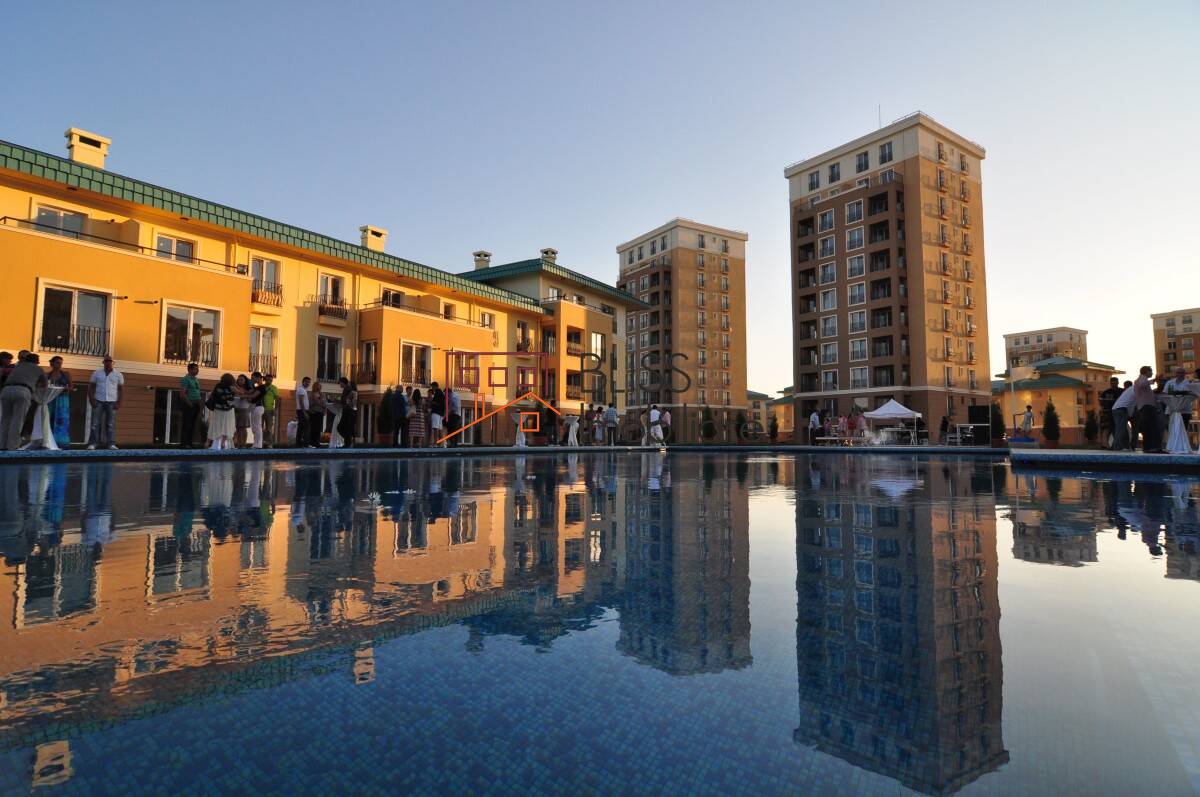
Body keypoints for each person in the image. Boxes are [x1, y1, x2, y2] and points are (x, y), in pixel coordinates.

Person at [0, 352, 45, 450]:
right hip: (23, 391)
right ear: (36, 362)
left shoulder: (17, 366)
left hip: (6, 390)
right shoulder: (38, 369)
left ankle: (1, 445)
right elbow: (45, 384)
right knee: (18, 420)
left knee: (5, 420)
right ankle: (12, 446)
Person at [87, 356, 123, 449]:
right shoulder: (96, 373)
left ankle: (111, 444)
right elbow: (91, 387)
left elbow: (120, 389)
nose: (108, 362)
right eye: (106, 361)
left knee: (110, 424)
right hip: (98, 400)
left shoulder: (118, 374)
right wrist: (91, 400)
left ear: (113, 362)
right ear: (103, 362)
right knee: (95, 424)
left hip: (112, 402)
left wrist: (119, 402)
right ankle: (93, 443)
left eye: (110, 361)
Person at [1133, 366, 1162, 453]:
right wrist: (1155, 379)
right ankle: (1152, 447)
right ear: (1146, 371)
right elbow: (1142, 384)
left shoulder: (1142, 380)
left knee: (1149, 427)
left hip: (1147, 407)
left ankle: (1149, 447)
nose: (1152, 373)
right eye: (1151, 371)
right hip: (1146, 407)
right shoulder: (1141, 379)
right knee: (1151, 427)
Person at [46, 356, 72, 448]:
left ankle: (61, 442)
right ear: (52, 363)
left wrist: (66, 389)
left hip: (62, 400)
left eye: (61, 363)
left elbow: (71, 387)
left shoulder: (66, 374)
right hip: (51, 399)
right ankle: (49, 441)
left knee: (62, 420)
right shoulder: (47, 375)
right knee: (49, 419)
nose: (60, 364)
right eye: (57, 362)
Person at [206, 373, 236, 450]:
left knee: (215, 425)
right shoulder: (232, 388)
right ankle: (223, 443)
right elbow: (237, 395)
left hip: (218, 409)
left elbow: (212, 395)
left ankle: (208, 442)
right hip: (228, 410)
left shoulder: (218, 386)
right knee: (226, 425)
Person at [179, 362, 202, 448]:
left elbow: (196, 392)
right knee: (187, 424)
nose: (197, 370)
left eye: (197, 369)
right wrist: (190, 404)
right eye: (195, 369)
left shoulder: (196, 379)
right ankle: (184, 444)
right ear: (189, 370)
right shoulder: (186, 379)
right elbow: (183, 394)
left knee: (192, 425)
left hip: (196, 404)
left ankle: (189, 443)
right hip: (189, 404)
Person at [1110, 380, 1136, 451]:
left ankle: (1119, 446)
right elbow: (1132, 404)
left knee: (1120, 429)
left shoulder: (1130, 390)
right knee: (1121, 429)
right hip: (1121, 409)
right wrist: (1130, 415)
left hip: (1116, 409)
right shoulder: (1136, 391)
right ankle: (1117, 447)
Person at [337, 377, 358, 447]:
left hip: (348, 411)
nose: (339, 384)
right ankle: (348, 442)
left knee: (341, 427)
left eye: (340, 382)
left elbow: (347, 401)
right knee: (346, 428)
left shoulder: (349, 390)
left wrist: (340, 402)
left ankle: (348, 441)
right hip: (350, 411)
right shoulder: (351, 391)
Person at [260, 374, 280, 447]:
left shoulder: (274, 388)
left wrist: (275, 409)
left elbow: (277, 399)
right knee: (259, 427)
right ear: (265, 379)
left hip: (269, 410)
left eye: (271, 380)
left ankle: (269, 443)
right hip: (260, 409)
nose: (269, 381)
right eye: (268, 380)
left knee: (269, 428)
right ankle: (260, 442)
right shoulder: (261, 387)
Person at [308, 380, 326, 447]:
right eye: (319, 385)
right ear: (315, 386)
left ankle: (317, 442)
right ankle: (311, 442)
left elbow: (324, 403)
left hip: (320, 413)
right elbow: (311, 403)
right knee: (313, 428)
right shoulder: (311, 394)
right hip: (313, 413)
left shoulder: (322, 394)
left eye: (320, 386)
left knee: (318, 428)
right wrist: (318, 401)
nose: (320, 387)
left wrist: (324, 409)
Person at [295, 376, 311, 447]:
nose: (308, 384)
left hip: (302, 410)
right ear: (303, 382)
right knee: (305, 427)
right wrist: (304, 413)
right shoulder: (301, 390)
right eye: (307, 382)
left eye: (309, 382)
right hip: (302, 411)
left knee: (301, 427)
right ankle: (304, 444)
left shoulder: (303, 390)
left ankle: (299, 443)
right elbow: (301, 402)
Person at [429, 382, 446, 446]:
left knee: (435, 428)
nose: (432, 388)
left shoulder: (437, 393)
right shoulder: (441, 393)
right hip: (441, 413)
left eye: (432, 387)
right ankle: (441, 443)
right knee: (440, 428)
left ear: (435, 386)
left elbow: (436, 403)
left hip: (436, 412)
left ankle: (435, 443)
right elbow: (443, 403)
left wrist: (431, 401)